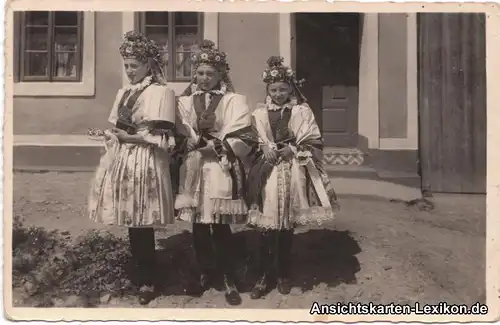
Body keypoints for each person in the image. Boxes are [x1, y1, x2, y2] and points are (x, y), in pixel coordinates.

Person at [87, 31, 177, 305]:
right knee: (131, 219)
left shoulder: (161, 93)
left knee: (143, 219)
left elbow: (163, 137)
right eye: (126, 66)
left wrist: (129, 138)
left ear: (149, 65)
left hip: (146, 160)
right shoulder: (124, 93)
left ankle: (149, 279)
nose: (129, 71)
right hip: (124, 159)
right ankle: (139, 272)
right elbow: (118, 127)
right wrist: (111, 134)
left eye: (134, 66)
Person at [245, 56, 340, 299]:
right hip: (268, 168)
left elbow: (311, 138)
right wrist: (263, 146)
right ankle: (264, 275)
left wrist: (294, 149)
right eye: (274, 90)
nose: (278, 94)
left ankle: (284, 272)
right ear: (267, 89)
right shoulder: (259, 112)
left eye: (283, 89)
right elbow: (252, 137)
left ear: (291, 89)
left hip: (292, 168)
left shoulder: (301, 110)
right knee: (267, 225)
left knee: (285, 224)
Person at [174, 40, 257, 306]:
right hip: (196, 164)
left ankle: (228, 276)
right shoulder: (185, 102)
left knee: (220, 224)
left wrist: (219, 146)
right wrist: (191, 141)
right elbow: (181, 129)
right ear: (194, 75)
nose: (205, 78)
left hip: (221, 164)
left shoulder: (234, 100)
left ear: (221, 74)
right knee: (198, 223)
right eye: (200, 73)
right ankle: (205, 271)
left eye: (210, 73)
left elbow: (241, 128)